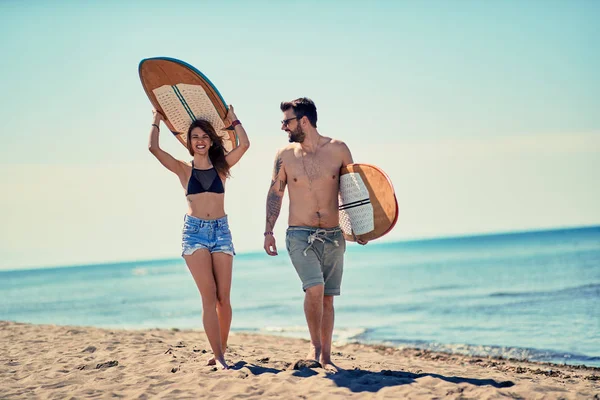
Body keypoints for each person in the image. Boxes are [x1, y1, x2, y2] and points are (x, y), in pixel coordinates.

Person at [263, 97, 366, 371]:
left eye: (287, 121)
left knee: (328, 296)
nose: (283, 127)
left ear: (304, 121)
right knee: (315, 289)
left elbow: (353, 191)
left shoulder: (339, 149)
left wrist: (361, 227)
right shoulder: (285, 156)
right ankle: (315, 346)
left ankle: (326, 357)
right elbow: (276, 193)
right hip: (299, 235)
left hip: (333, 235)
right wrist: (268, 230)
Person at [149, 107, 250, 370]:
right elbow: (154, 149)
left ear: (211, 140)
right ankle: (218, 357)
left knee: (223, 299)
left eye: (205, 136)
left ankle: (222, 347)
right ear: (189, 141)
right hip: (194, 234)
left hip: (221, 231)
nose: (200, 140)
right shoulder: (184, 170)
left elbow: (245, 144)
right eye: (195, 136)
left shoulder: (222, 168)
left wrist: (233, 120)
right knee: (209, 296)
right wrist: (157, 120)